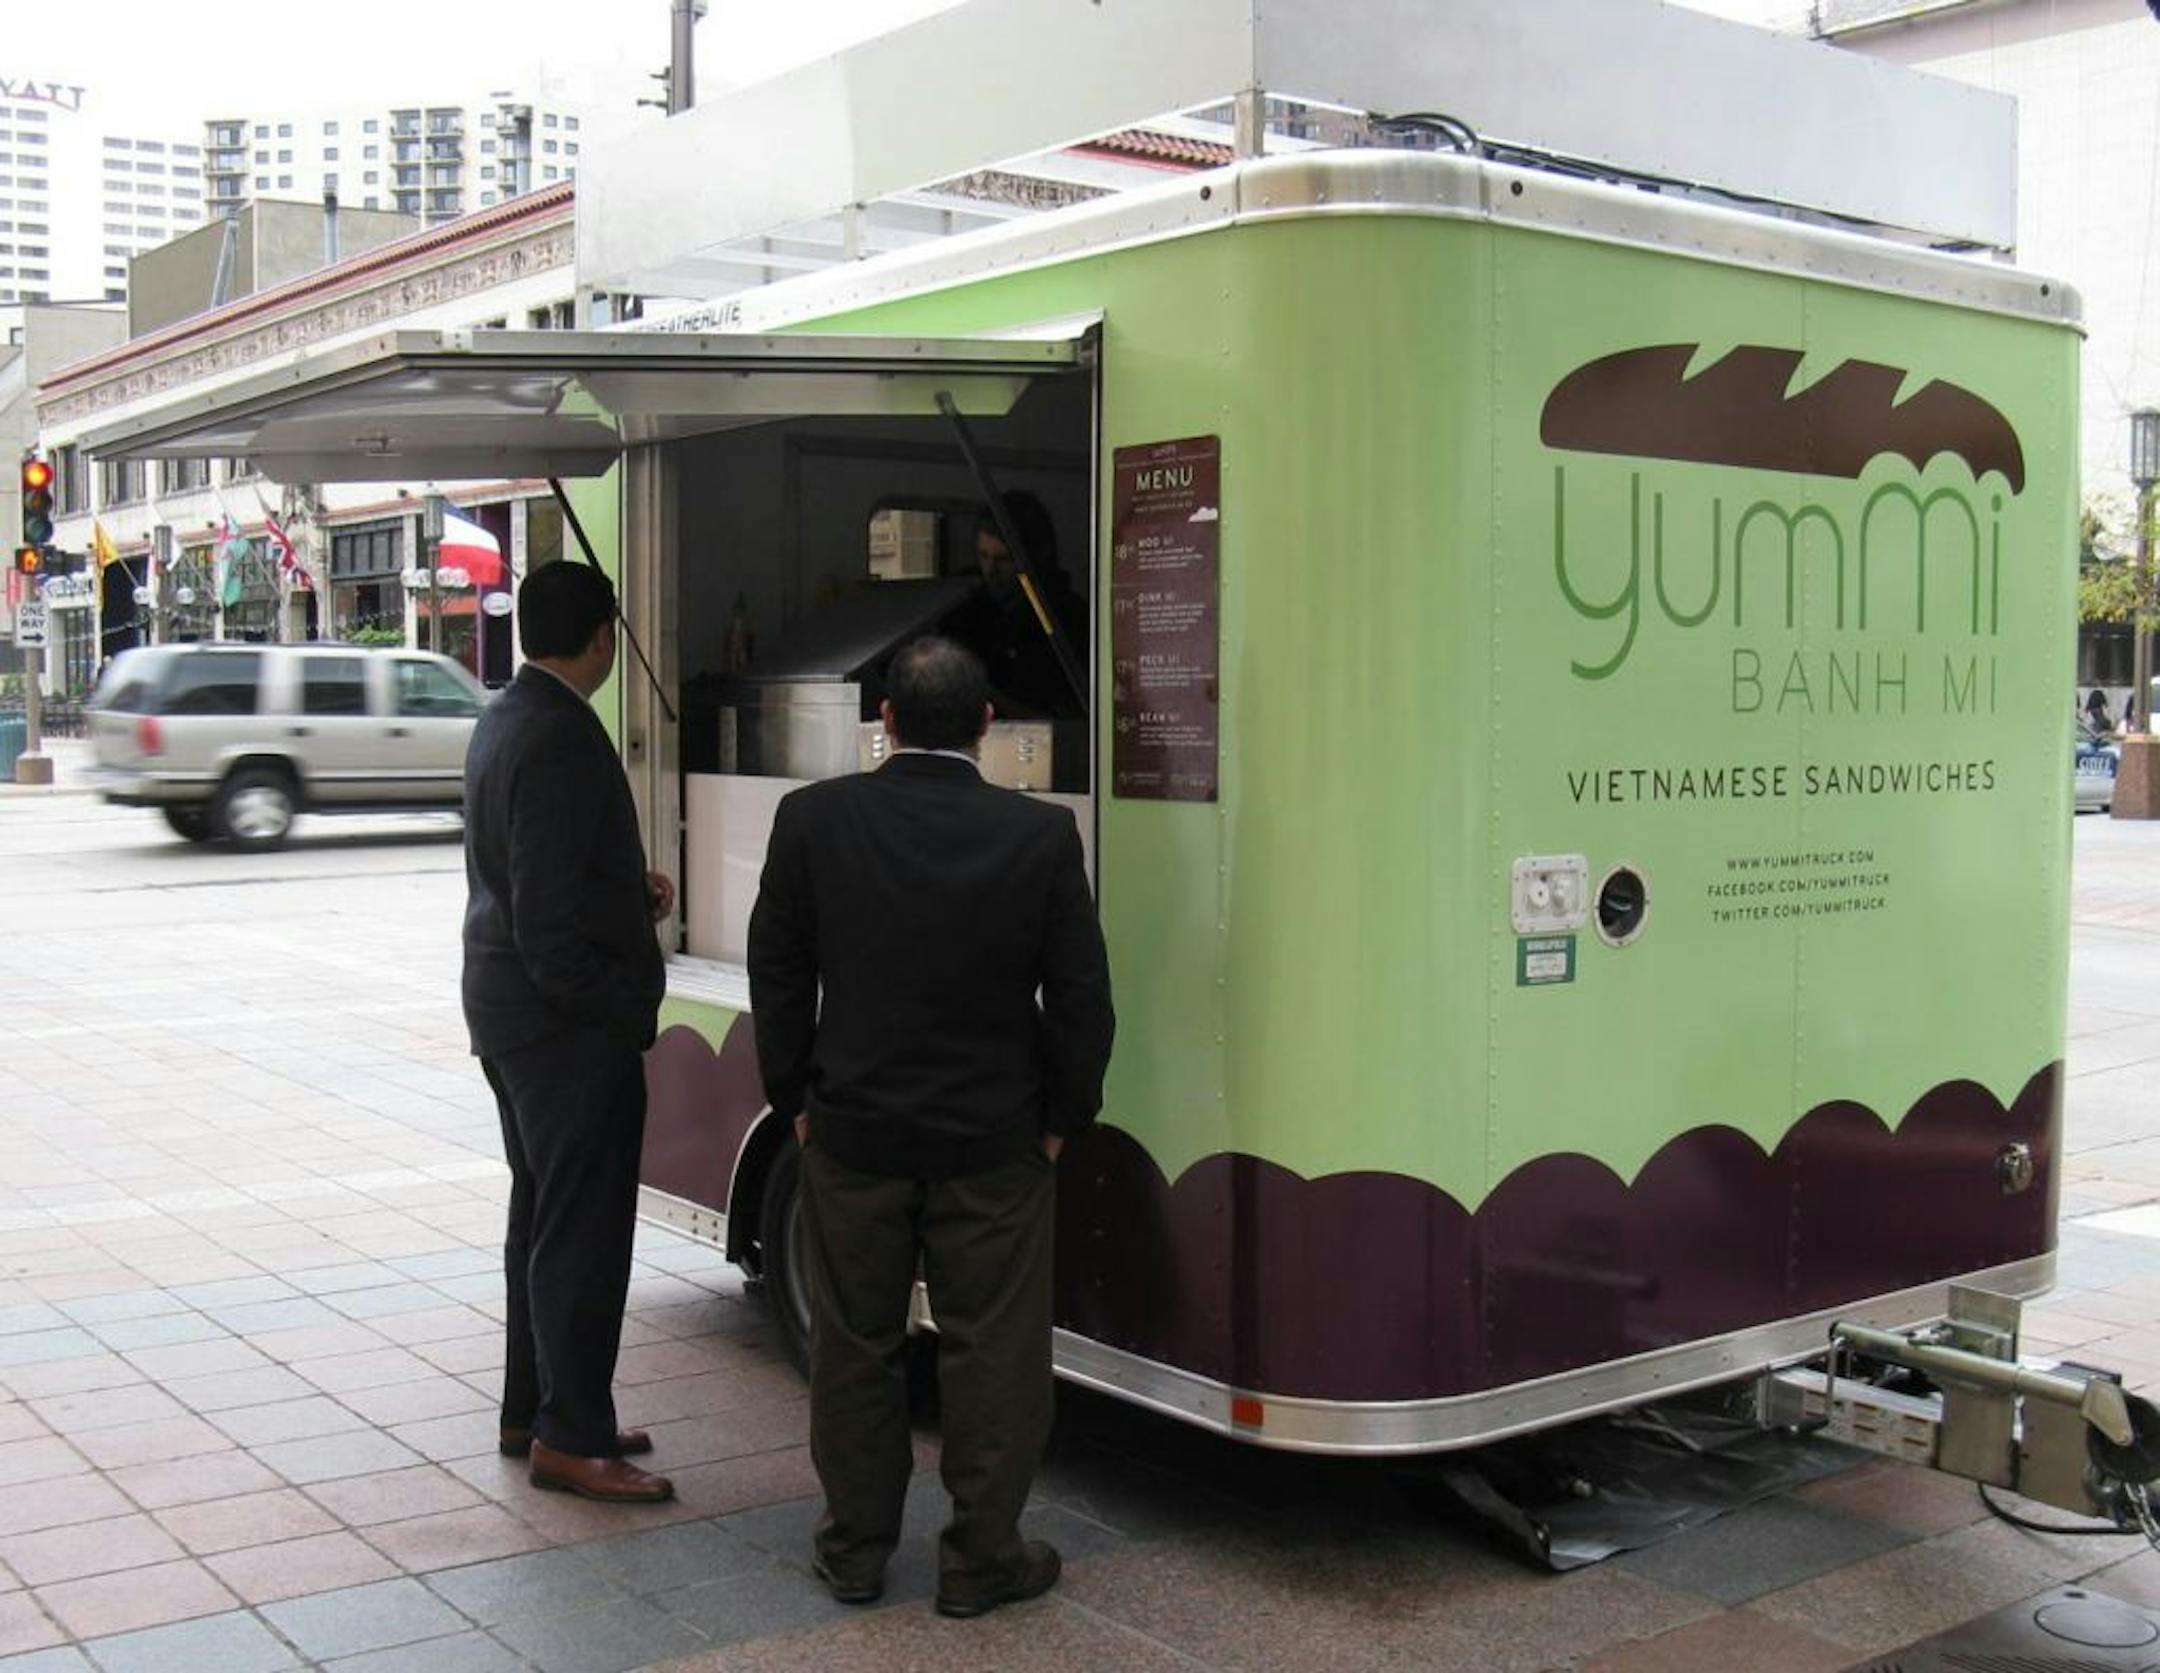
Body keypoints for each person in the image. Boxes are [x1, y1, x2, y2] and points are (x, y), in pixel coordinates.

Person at [747, 636, 1114, 1619]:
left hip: (853, 1132)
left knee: (855, 1344)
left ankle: (856, 1548)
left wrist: (796, 1100)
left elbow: (777, 973)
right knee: (992, 1349)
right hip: (995, 1141)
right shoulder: (1038, 836)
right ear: (988, 724)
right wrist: (1060, 1121)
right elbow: (1082, 997)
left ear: (887, 722)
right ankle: (981, 1555)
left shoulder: (812, 819)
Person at [461, 561, 675, 1505]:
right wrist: (607, 1007)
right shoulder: (557, 734)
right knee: (582, 1232)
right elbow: (545, 914)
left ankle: (540, 1408)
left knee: (542, 1220)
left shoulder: (505, 714)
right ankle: (573, 1438)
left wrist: (629, 899)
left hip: (510, 1014)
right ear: (601, 639)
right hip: (559, 1030)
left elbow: (530, 871)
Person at [948, 491, 1085, 721]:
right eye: (983, 556)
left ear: (1035, 558)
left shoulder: (1066, 623)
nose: (991, 571)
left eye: (1003, 560)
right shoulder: (966, 606)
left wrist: (987, 695)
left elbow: (1067, 721)